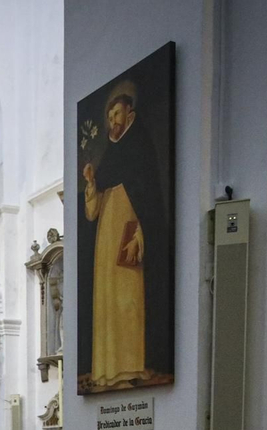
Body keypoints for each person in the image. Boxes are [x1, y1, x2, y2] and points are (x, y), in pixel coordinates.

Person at [80, 84, 171, 392]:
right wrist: (91, 183)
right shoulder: (110, 157)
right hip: (107, 239)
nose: (112, 120)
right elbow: (92, 212)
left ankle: (131, 365)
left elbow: (151, 203)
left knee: (129, 301)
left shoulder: (140, 149)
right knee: (107, 300)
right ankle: (107, 371)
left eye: (116, 113)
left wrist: (141, 235)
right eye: (109, 115)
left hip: (128, 237)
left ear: (130, 114)